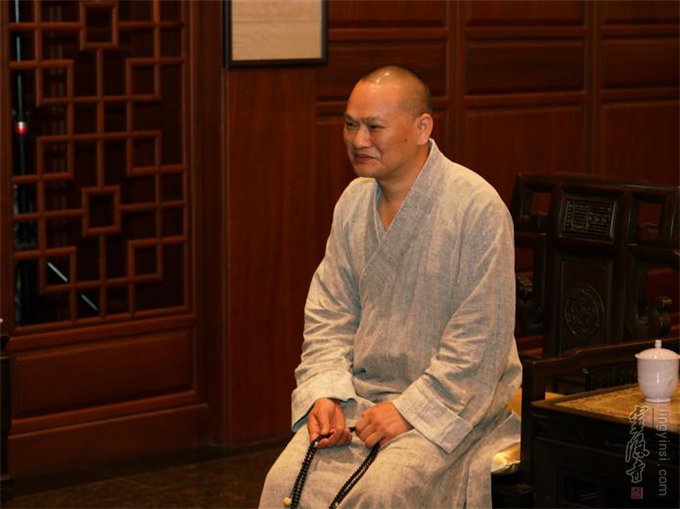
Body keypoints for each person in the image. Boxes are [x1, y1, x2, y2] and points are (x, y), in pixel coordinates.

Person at [259, 65, 521, 509]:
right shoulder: (353, 202)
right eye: (350, 125)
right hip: (358, 399)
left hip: (451, 410)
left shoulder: (475, 208)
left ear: (422, 128)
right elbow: (329, 313)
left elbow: (479, 342)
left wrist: (410, 411)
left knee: (383, 494)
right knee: (283, 483)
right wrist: (326, 392)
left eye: (374, 127)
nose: (358, 140)